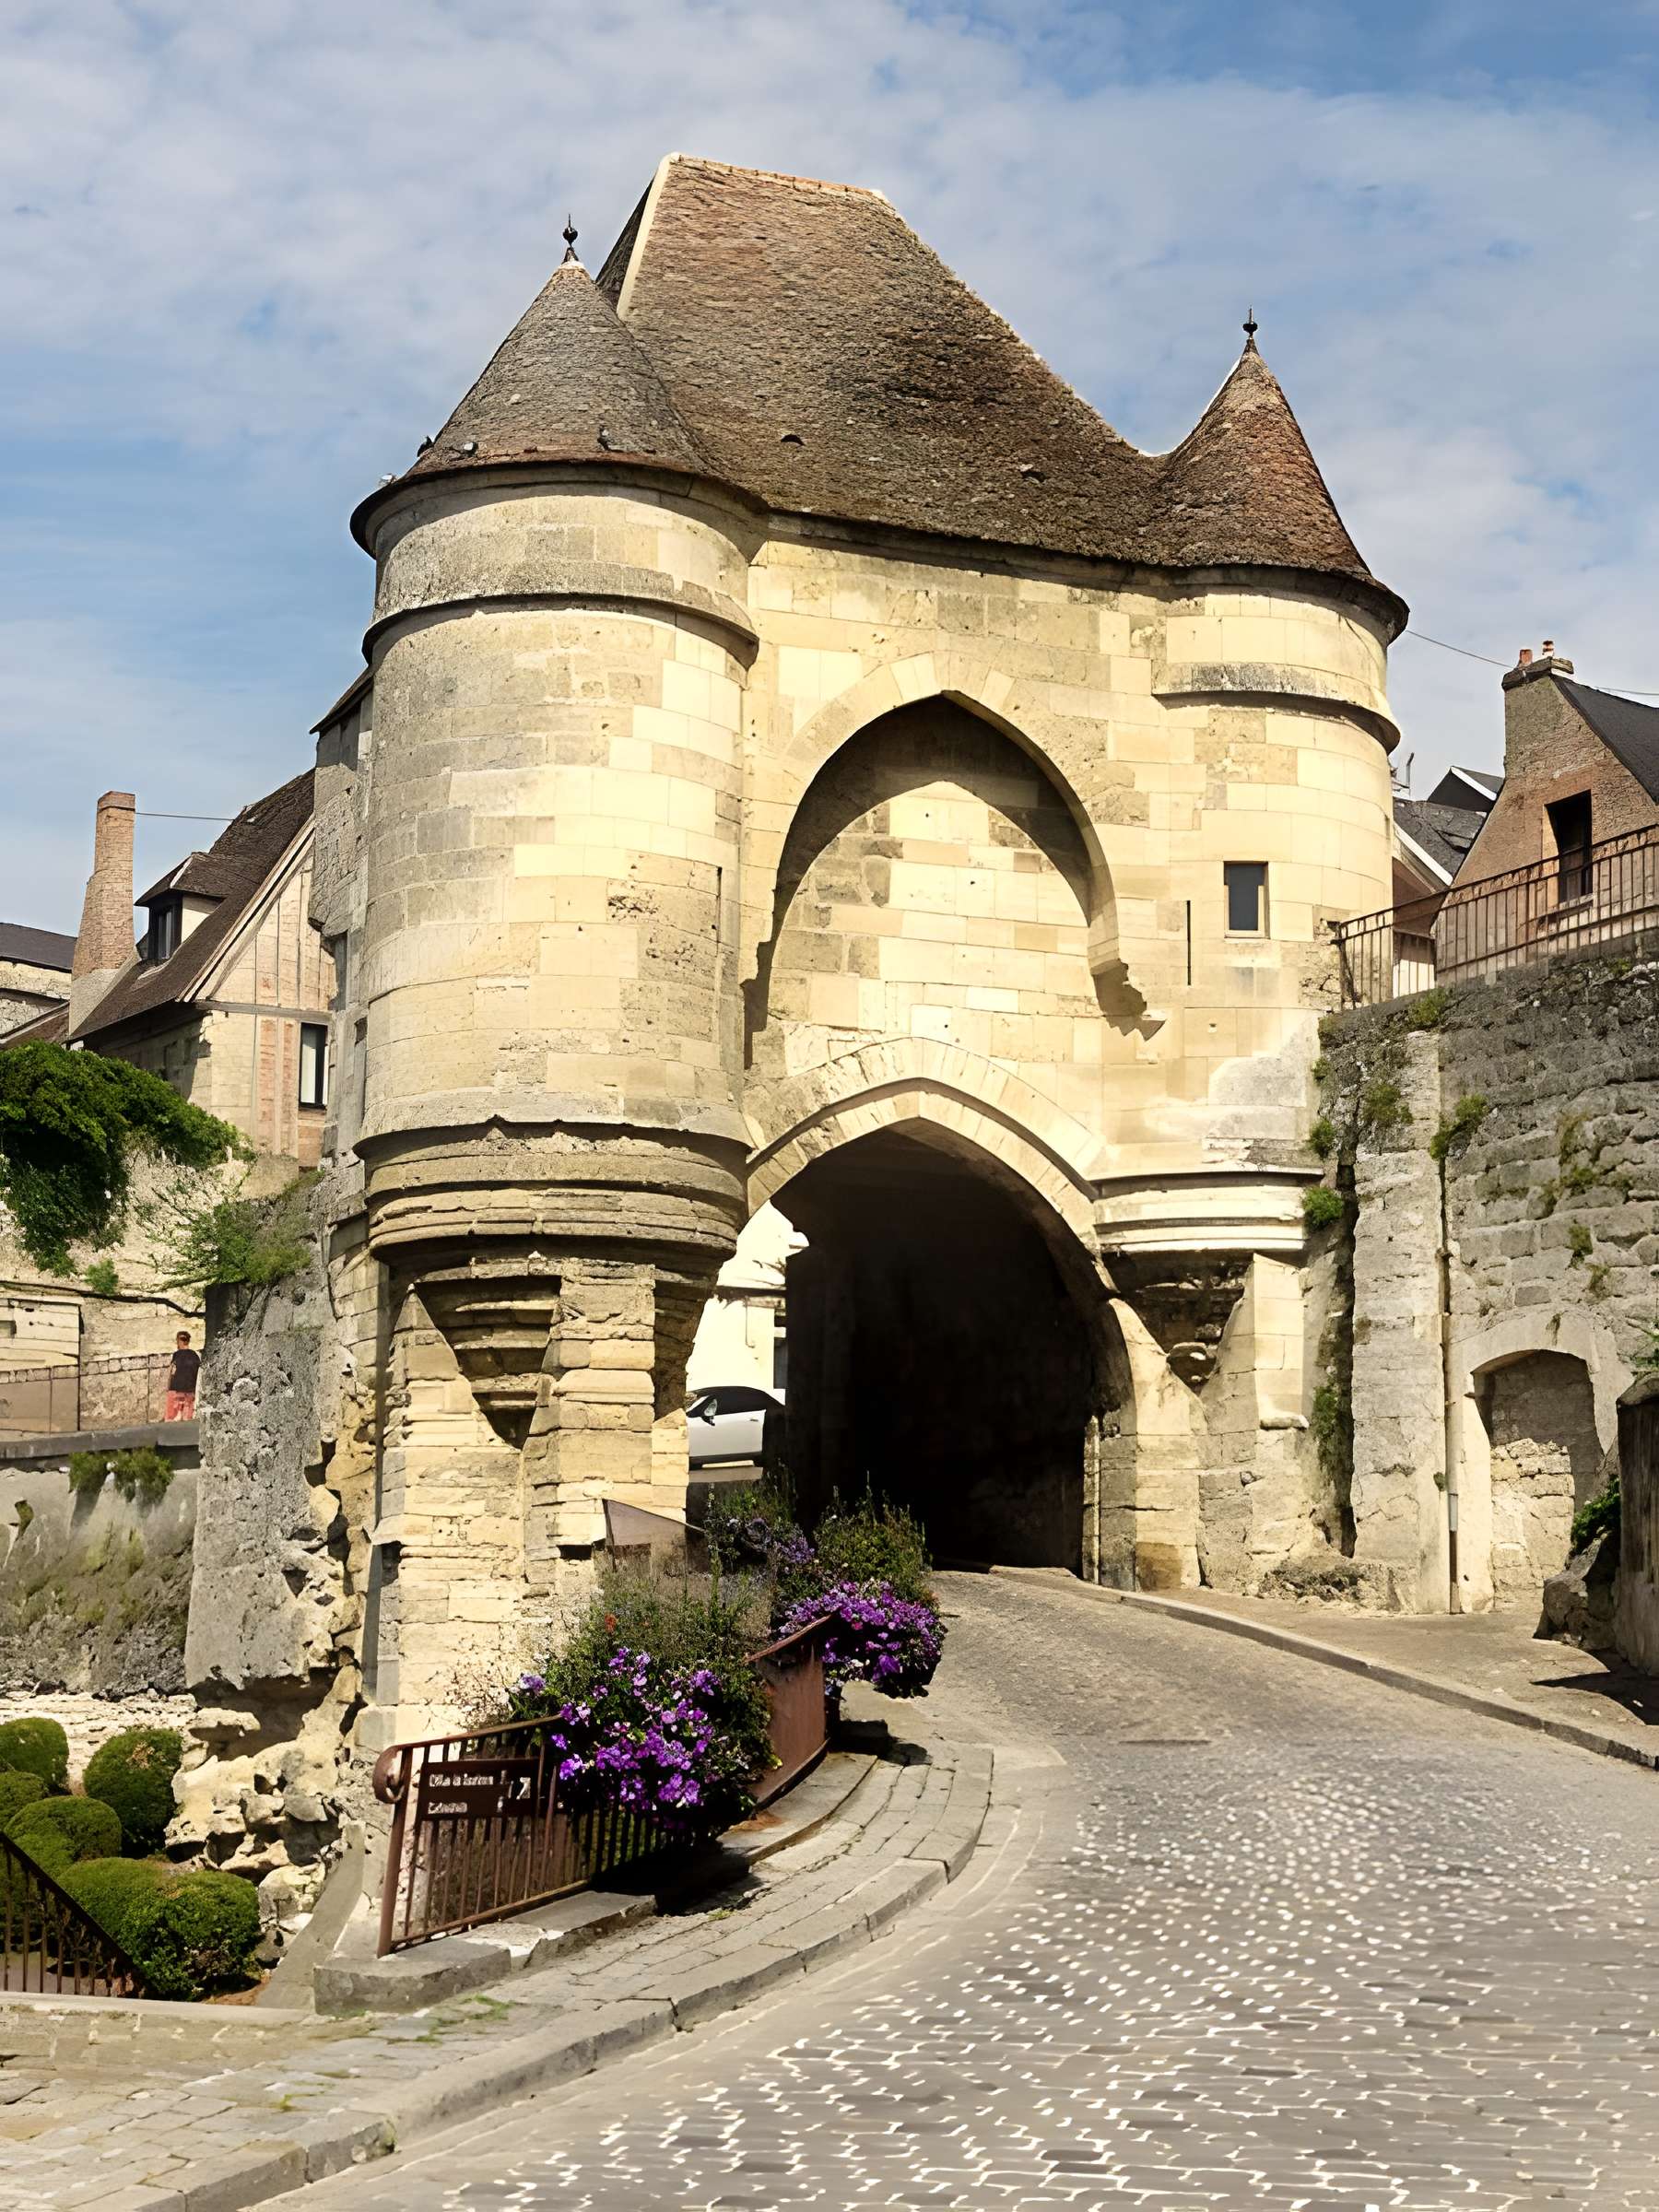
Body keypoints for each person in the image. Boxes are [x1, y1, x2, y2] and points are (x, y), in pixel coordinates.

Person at [164, 1331, 200, 1421]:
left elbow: (172, 1371)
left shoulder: (176, 1355)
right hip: (190, 1387)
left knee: (175, 1415)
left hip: (178, 1387)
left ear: (180, 1341)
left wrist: (168, 1385)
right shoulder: (195, 1355)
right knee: (188, 1415)